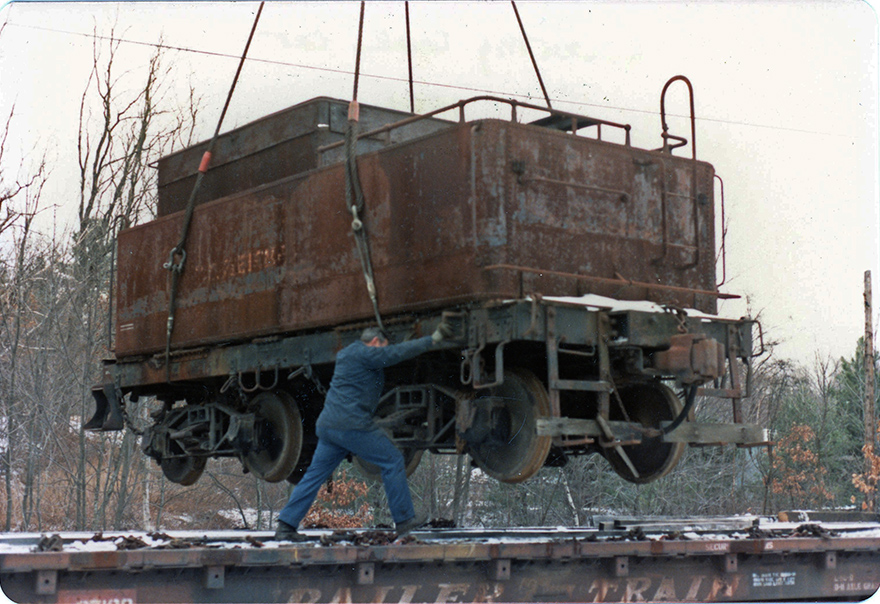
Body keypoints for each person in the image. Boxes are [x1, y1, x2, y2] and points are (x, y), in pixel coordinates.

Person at [275, 322, 452, 541]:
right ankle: (405, 521)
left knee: (314, 475)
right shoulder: (365, 353)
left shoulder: (347, 354)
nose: (383, 350)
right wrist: (432, 340)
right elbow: (396, 353)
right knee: (392, 460)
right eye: (382, 346)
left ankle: (285, 527)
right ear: (376, 342)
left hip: (330, 427)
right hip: (352, 426)